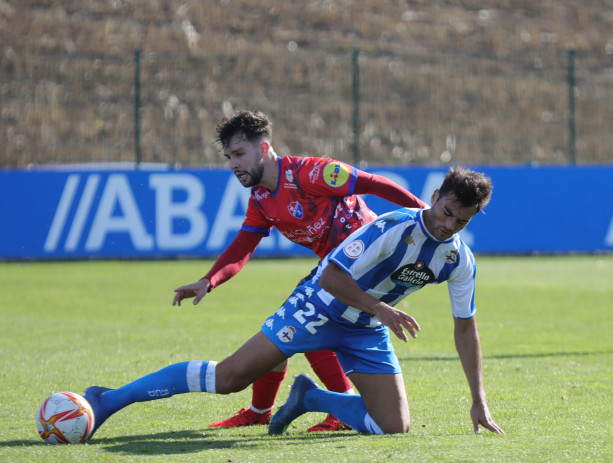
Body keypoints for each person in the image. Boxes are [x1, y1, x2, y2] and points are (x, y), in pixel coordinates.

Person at [83, 166, 503, 438]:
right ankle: (108, 399)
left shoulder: (458, 259)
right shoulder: (392, 227)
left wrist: (479, 398)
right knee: (229, 378)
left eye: (460, 221)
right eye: (447, 211)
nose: (449, 225)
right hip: (318, 307)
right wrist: (380, 308)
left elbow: (466, 329)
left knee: (393, 426)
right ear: (434, 195)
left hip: (365, 327)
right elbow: (332, 275)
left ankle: (309, 397)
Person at [171, 110, 426, 430]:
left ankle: (338, 409)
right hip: (335, 268)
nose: (233, 163)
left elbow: (375, 183)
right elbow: (242, 247)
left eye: (239, 154)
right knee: (279, 329)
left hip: (367, 263)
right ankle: (260, 411)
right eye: (229, 157)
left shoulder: (313, 173)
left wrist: (424, 216)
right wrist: (208, 281)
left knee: (305, 329)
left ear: (263, 149)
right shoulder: (262, 198)